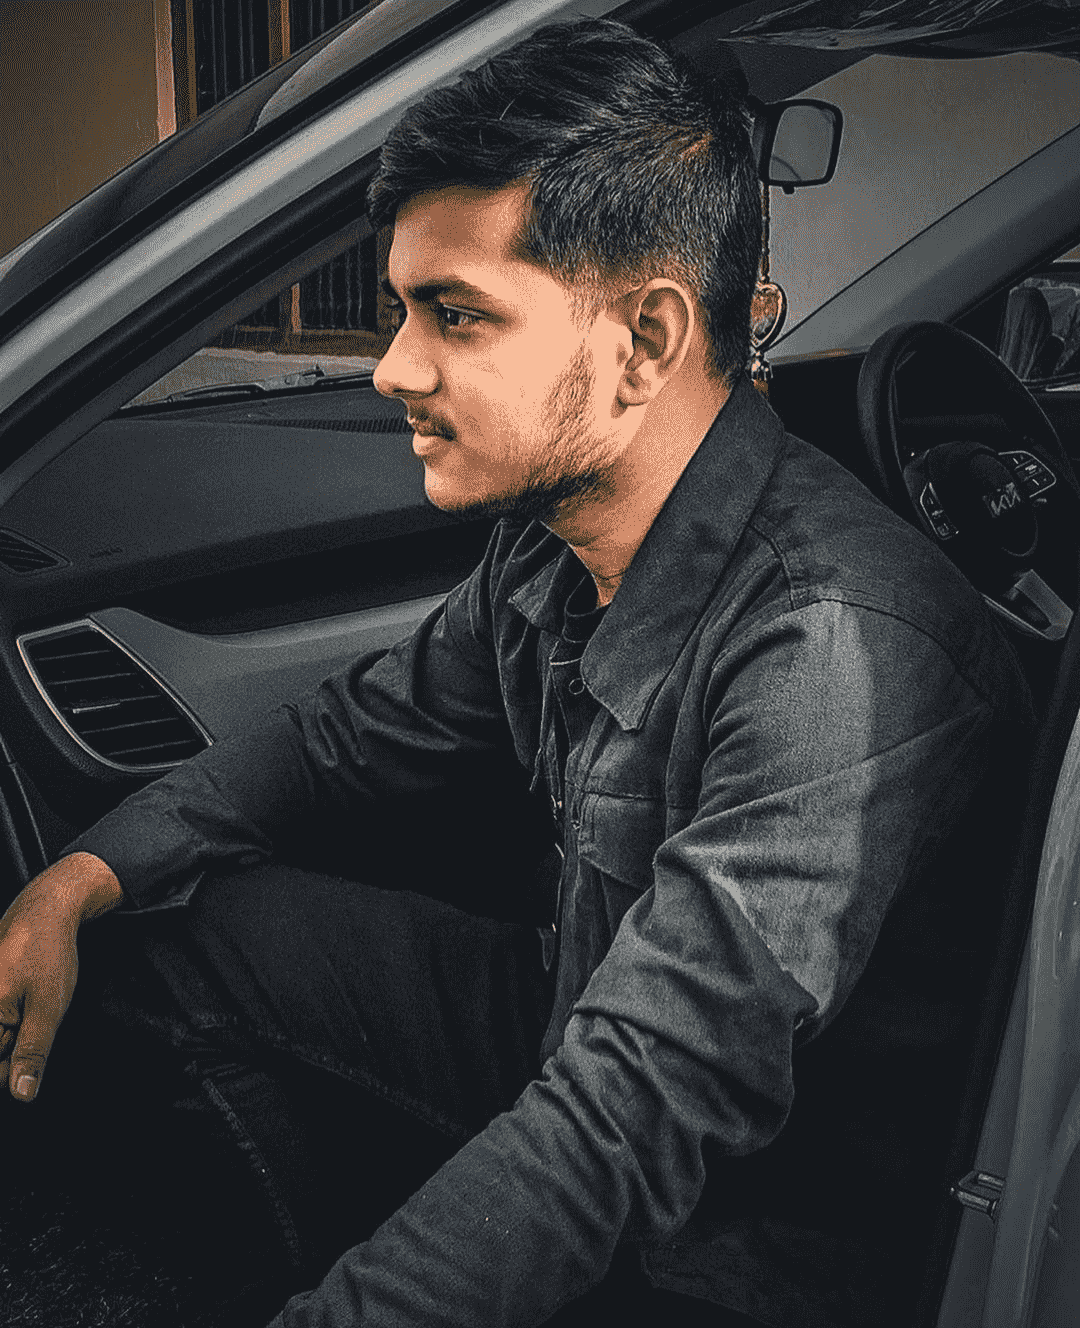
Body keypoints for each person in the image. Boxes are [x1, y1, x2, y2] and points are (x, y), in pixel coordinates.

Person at [0, 18, 1032, 1328]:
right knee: (170, 937)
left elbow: (625, 1120)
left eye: (460, 315)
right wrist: (78, 878)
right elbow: (335, 746)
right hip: (572, 1013)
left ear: (645, 343)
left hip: (748, 1229)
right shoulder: (549, 549)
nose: (394, 367)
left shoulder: (832, 652)